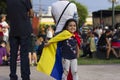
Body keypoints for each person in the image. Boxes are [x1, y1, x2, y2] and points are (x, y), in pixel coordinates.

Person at [6, 0, 34, 80]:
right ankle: (25, 76)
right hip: (24, 29)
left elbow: (9, 14)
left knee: (13, 55)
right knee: (24, 54)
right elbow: (31, 13)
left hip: (13, 30)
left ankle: (13, 75)